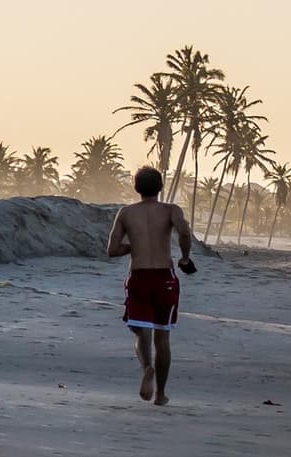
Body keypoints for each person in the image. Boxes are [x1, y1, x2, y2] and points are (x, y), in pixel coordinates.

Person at [105, 166, 193, 406]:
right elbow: (185, 232)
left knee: (141, 330)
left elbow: (112, 250)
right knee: (162, 337)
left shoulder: (126, 213)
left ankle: (146, 367)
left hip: (139, 275)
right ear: (161, 186)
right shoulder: (171, 210)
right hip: (165, 277)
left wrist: (134, 246)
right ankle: (161, 394)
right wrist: (184, 257)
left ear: (136, 187)